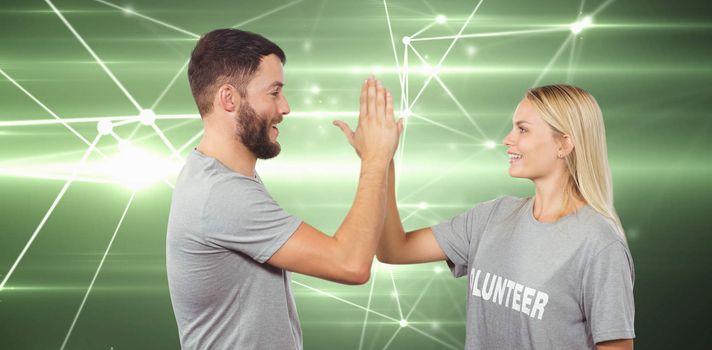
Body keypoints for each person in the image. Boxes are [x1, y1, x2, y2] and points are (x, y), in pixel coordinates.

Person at [336, 84, 635, 349]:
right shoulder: (492, 216)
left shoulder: (599, 244)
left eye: (523, 129)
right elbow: (393, 250)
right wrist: (381, 159)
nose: (508, 139)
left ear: (563, 144)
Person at [166, 28, 401, 349]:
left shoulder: (217, 176)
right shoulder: (221, 195)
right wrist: (376, 157)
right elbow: (350, 264)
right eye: (274, 93)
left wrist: (378, 160)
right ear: (229, 98)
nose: (285, 107)